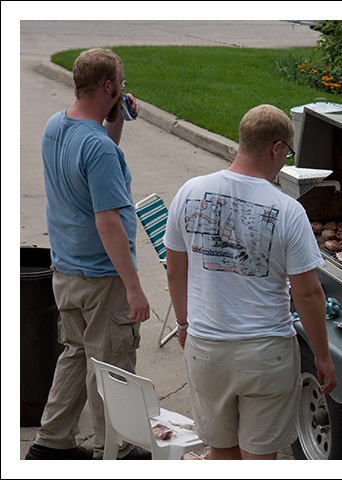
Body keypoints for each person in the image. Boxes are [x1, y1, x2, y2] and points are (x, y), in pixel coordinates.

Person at [164, 104, 337, 460]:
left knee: (222, 454)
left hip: (206, 347)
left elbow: (175, 270)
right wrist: (322, 355)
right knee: (258, 459)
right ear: (276, 149)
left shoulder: (189, 191)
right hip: (265, 354)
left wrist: (183, 322)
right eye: (287, 154)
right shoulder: (288, 210)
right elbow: (307, 293)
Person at [25, 48, 151, 461]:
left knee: (77, 354)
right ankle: (117, 451)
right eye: (122, 83)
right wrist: (134, 288)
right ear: (110, 86)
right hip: (102, 277)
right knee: (112, 365)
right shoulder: (98, 149)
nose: (124, 88)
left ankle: (51, 443)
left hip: (66, 271)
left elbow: (97, 148)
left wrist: (114, 115)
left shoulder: (56, 126)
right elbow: (108, 222)